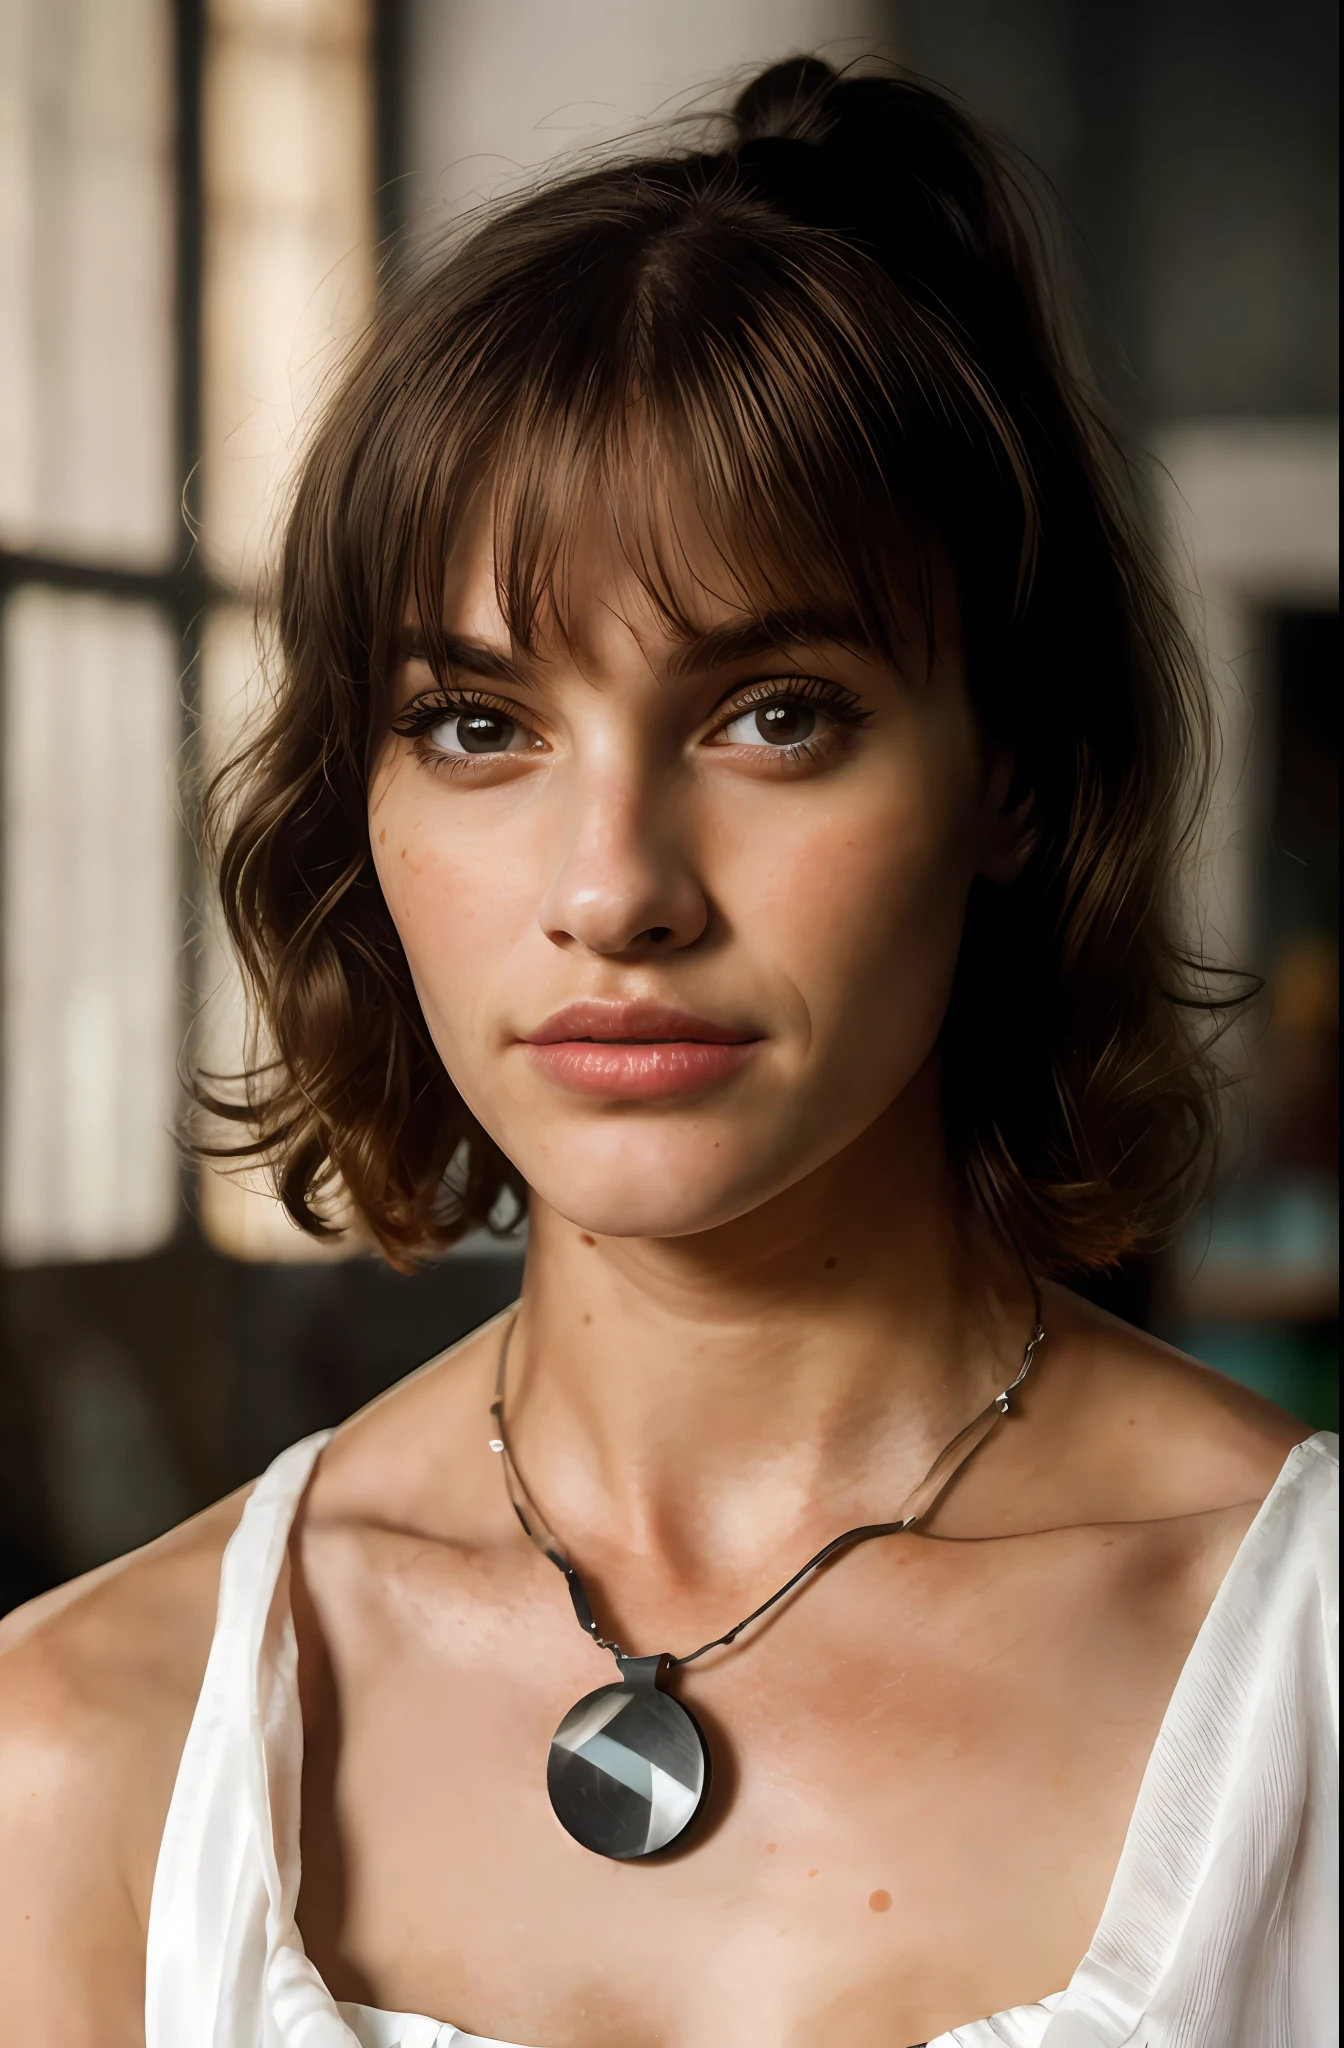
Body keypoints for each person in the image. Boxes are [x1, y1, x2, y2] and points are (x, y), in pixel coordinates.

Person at [0, 56, 1334, 2048]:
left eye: (774, 714)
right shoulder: (81, 1742)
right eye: (478, 725)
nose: (615, 887)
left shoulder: (1303, 1679)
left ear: (1020, 781)